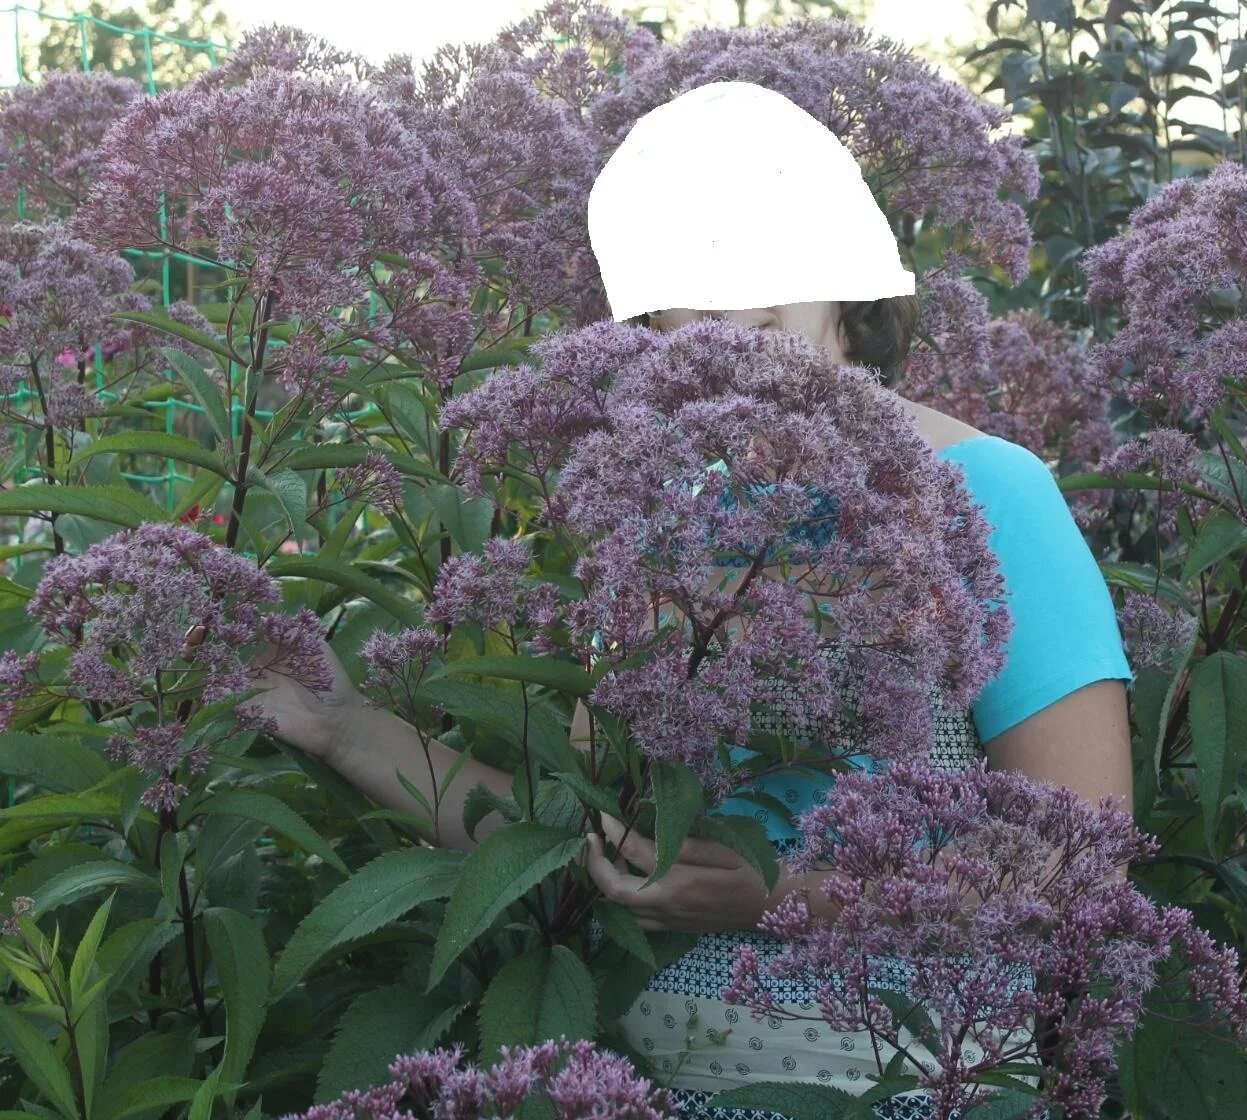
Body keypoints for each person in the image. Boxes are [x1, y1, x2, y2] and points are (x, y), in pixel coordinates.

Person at [251, 81, 1133, 1118]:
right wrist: (345, 728)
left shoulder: (991, 497)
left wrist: (783, 901)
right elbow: (574, 844)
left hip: (915, 1092)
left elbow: (1085, 871)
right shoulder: (662, 519)